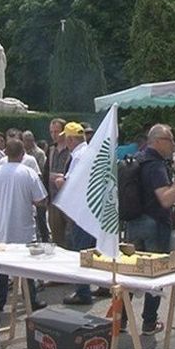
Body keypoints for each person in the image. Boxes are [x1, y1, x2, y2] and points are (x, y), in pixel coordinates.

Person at [123, 124, 175, 335]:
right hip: (154, 223)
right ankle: (149, 322)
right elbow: (166, 199)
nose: (173, 144)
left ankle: (120, 319)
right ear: (158, 141)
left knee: (130, 272)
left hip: (134, 222)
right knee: (155, 274)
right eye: (170, 139)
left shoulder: (138, 159)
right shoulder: (155, 165)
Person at [0, 139, 48, 311]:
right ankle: (31, 300)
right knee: (26, 267)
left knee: (2, 267)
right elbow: (40, 200)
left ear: (5, 153)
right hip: (24, 227)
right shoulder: (29, 173)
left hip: (0, 226)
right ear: (22, 155)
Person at [55, 122, 95, 306]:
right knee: (94, 249)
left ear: (71, 139)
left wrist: (59, 182)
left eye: (66, 138)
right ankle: (100, 285)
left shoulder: (78, 155)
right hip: (92, 207)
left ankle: (83, 291)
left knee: (82, 251)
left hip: (81, 209)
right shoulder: (90, 151)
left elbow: (71, 184)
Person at [43, 118, 71, 249]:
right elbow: (45, 171)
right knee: (56, 235)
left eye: (56, 132)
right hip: (53, 199)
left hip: (68, 200)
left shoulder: (71, 150)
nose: (53, 135)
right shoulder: (51, 149)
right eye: (51, 132)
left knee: (69, 235)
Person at [23, 130, 49, 242]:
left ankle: (45, 238)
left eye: (27, 140)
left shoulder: (39, 153)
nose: (26, 143)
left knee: (41, 217)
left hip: (38, 187)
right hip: (27, 188)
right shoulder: (23, 153)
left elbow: (42, 171)